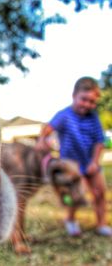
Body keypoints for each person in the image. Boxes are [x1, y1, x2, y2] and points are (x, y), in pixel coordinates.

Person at [37, 76, 112, 237]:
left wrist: (94, 162)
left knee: (100, 193)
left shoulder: (93, 118)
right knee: (76, 195)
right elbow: (47, 129)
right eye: (84, 99)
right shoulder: (64, 115)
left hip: (90, 162)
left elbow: (99, 142)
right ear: (74, 95)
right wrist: (43, 140)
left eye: (92, 102)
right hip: (71, 165)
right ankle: (70, 220)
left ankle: (101, 224)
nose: (87, 105)